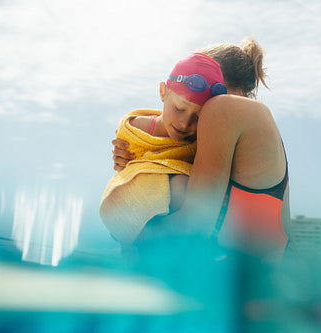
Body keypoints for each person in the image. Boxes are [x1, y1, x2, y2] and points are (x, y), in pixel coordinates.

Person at [112, 38, 291, 259]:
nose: (189, 124)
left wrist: (128, 237)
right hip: (272, 272)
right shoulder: (259, 122)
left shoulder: (223, 107)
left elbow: (193, 227)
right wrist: (136, 157)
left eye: (199, 111)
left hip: (243, 279)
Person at [99, 52, 227, 247]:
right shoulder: (138, 129)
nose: (185, 123)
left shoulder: (202, 140)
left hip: (172, 215)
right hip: (137, 199)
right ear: (163, 92)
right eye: (180, 109)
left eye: (198, 118)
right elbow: (129, 170)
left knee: (187, 189)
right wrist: (125, 165)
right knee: (181, 187)